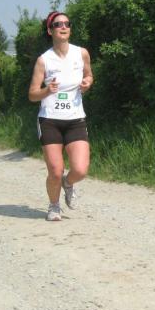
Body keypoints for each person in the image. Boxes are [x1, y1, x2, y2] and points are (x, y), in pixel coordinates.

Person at [28, 11, 93, 221]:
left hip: (75, 119)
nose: (63, 27)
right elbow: (32, 94)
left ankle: (68, 183)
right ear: (50, 30)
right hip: (50, 120)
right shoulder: (44, 60)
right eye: (58, 24)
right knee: (55, 170)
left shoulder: (81, 53)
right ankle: (54, 206)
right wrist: (47, 90)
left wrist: (88, 82)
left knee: (80, 170)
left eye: (67, 23)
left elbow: (89, 74)